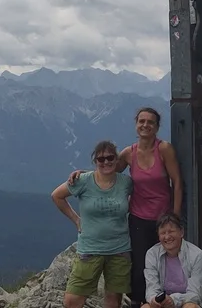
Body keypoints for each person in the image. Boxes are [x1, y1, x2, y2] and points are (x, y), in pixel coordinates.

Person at [69, 107, 183, 306]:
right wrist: (84, 174)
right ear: (136, 124)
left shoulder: (164, 149)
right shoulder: (129, 153)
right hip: (138, 217)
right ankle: (139, 302)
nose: (145, 125)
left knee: (164, 260)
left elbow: (178, 182)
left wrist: (175, 215)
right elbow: (108, 169)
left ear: (157, 127)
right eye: (141, 121)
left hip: (163, 217)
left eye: (150, 122)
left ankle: (165, 301)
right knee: (139, 264)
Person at [52, 140, 135, 308]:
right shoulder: (82, 180)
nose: (106, 162)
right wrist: (76, 219)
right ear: (95, 162)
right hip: (90, 248)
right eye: (101, 159)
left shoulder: (126, 182)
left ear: (117, 159)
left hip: (119, 248)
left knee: (113, 300)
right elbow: (57, 196)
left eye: (110, 157)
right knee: (73, 300)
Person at [143, 212, 202, 308]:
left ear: (181, 232)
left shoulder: (197, 255)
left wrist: (174, 300)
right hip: (163, 304)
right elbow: (151, 287)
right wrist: (154, 299)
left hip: (188, 302)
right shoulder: (152, 254)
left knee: (190, 307)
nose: (167, 237)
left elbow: (195, 294)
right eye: (163, 233)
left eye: (171, 231)